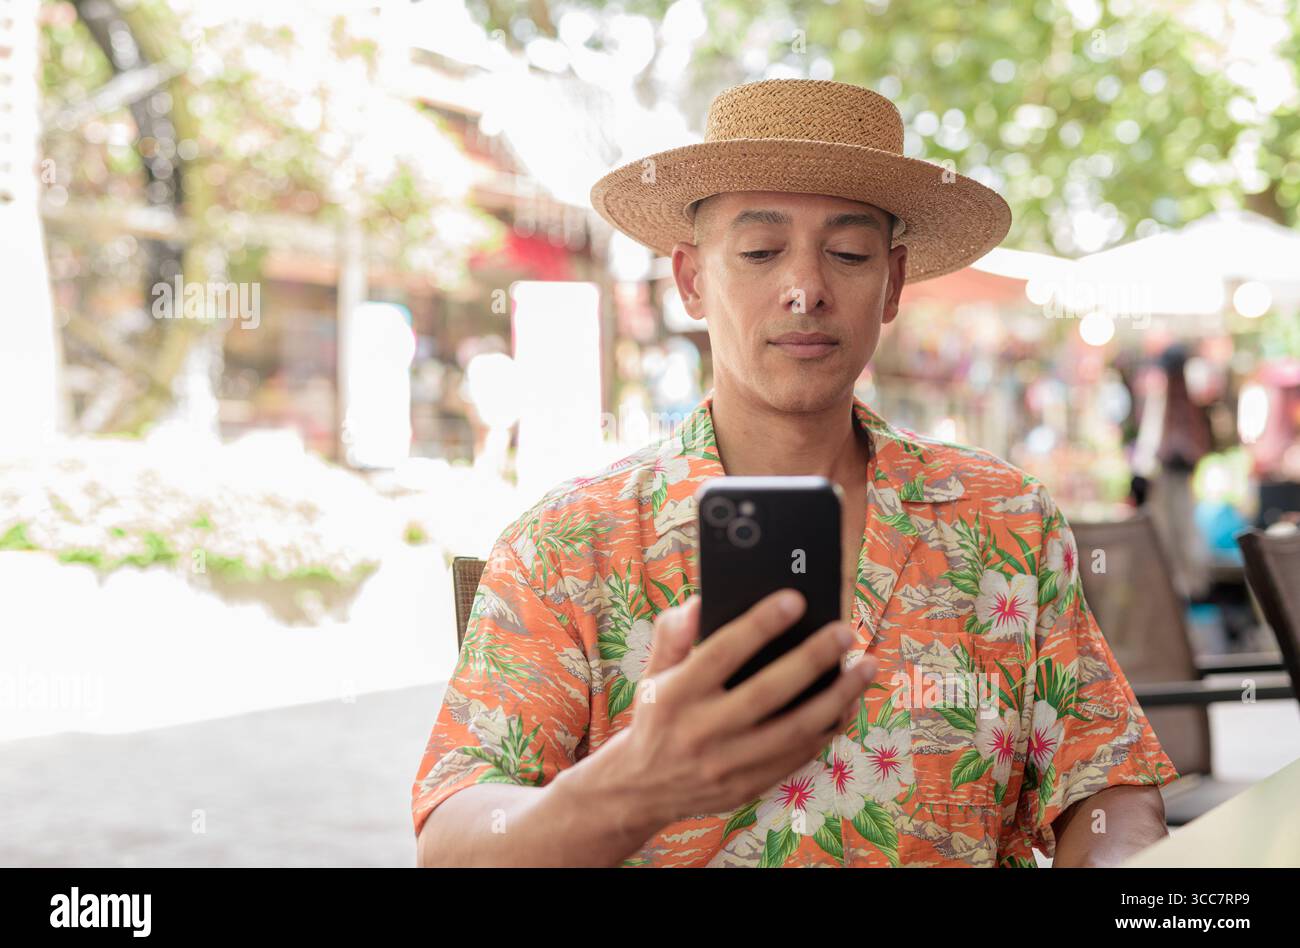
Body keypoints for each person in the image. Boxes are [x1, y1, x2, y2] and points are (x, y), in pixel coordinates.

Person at [411, 79, 1177, 867]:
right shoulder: (569, 545)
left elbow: (1106, 781)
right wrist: (633, 784)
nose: (806, 288)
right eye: (759, 251)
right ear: (691, 280)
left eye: (848, 253)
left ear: (894, 282)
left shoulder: (1007, 519)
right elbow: (457, 836)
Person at [1132, 344, 1215, 600]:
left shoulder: (1185, 400)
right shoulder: (1163, 398)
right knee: (1170, 529)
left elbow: (1194, 442)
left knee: (1183, 528)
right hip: (1167, 475)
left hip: (1179, 475)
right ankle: (1177, 583)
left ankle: (1188, 584)